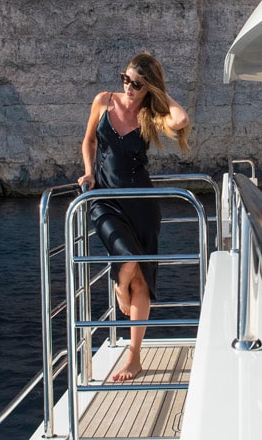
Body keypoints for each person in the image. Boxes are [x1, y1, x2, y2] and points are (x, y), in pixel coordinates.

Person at [77, 53, 190, 381]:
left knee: (141, 279)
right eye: (125, 79)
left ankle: (134, 357)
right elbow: (88, 140)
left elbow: (180, 119)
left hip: (142, 204)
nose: (128, 86)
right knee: (128, 262)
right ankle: (119, 283)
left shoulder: (150, 114)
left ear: (147, 87)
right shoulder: (103, 101)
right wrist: (87, 173)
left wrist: (158, 93)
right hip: (104, 201)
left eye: (136, 83)